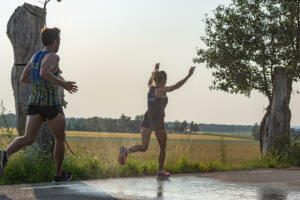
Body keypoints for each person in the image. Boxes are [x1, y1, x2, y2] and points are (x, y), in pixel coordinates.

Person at [0, 27, 78, 183]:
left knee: (28, 138)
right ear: (55, 41)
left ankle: (4, 155)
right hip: (50, 104)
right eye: (59, 41)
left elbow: (24, 77)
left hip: (35, 102)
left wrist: (39, 85)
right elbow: (43, 72)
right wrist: (63, 84)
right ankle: (58, 175)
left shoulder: (35, 56)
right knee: (60, 138)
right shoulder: (53, 57)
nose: (59, 44)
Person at [119, 63, 195, 179]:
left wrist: (155, 70)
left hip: (147, 120)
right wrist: (188, 76)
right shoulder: (161, 90)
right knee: (163, 146)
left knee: (144, 147)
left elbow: (150, 80)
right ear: (163, 79)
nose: (166, 81)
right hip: (157, 122)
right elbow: (176, 86)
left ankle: (126, 150)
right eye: (166, 79)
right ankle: (160, 172)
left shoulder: (151, 87)